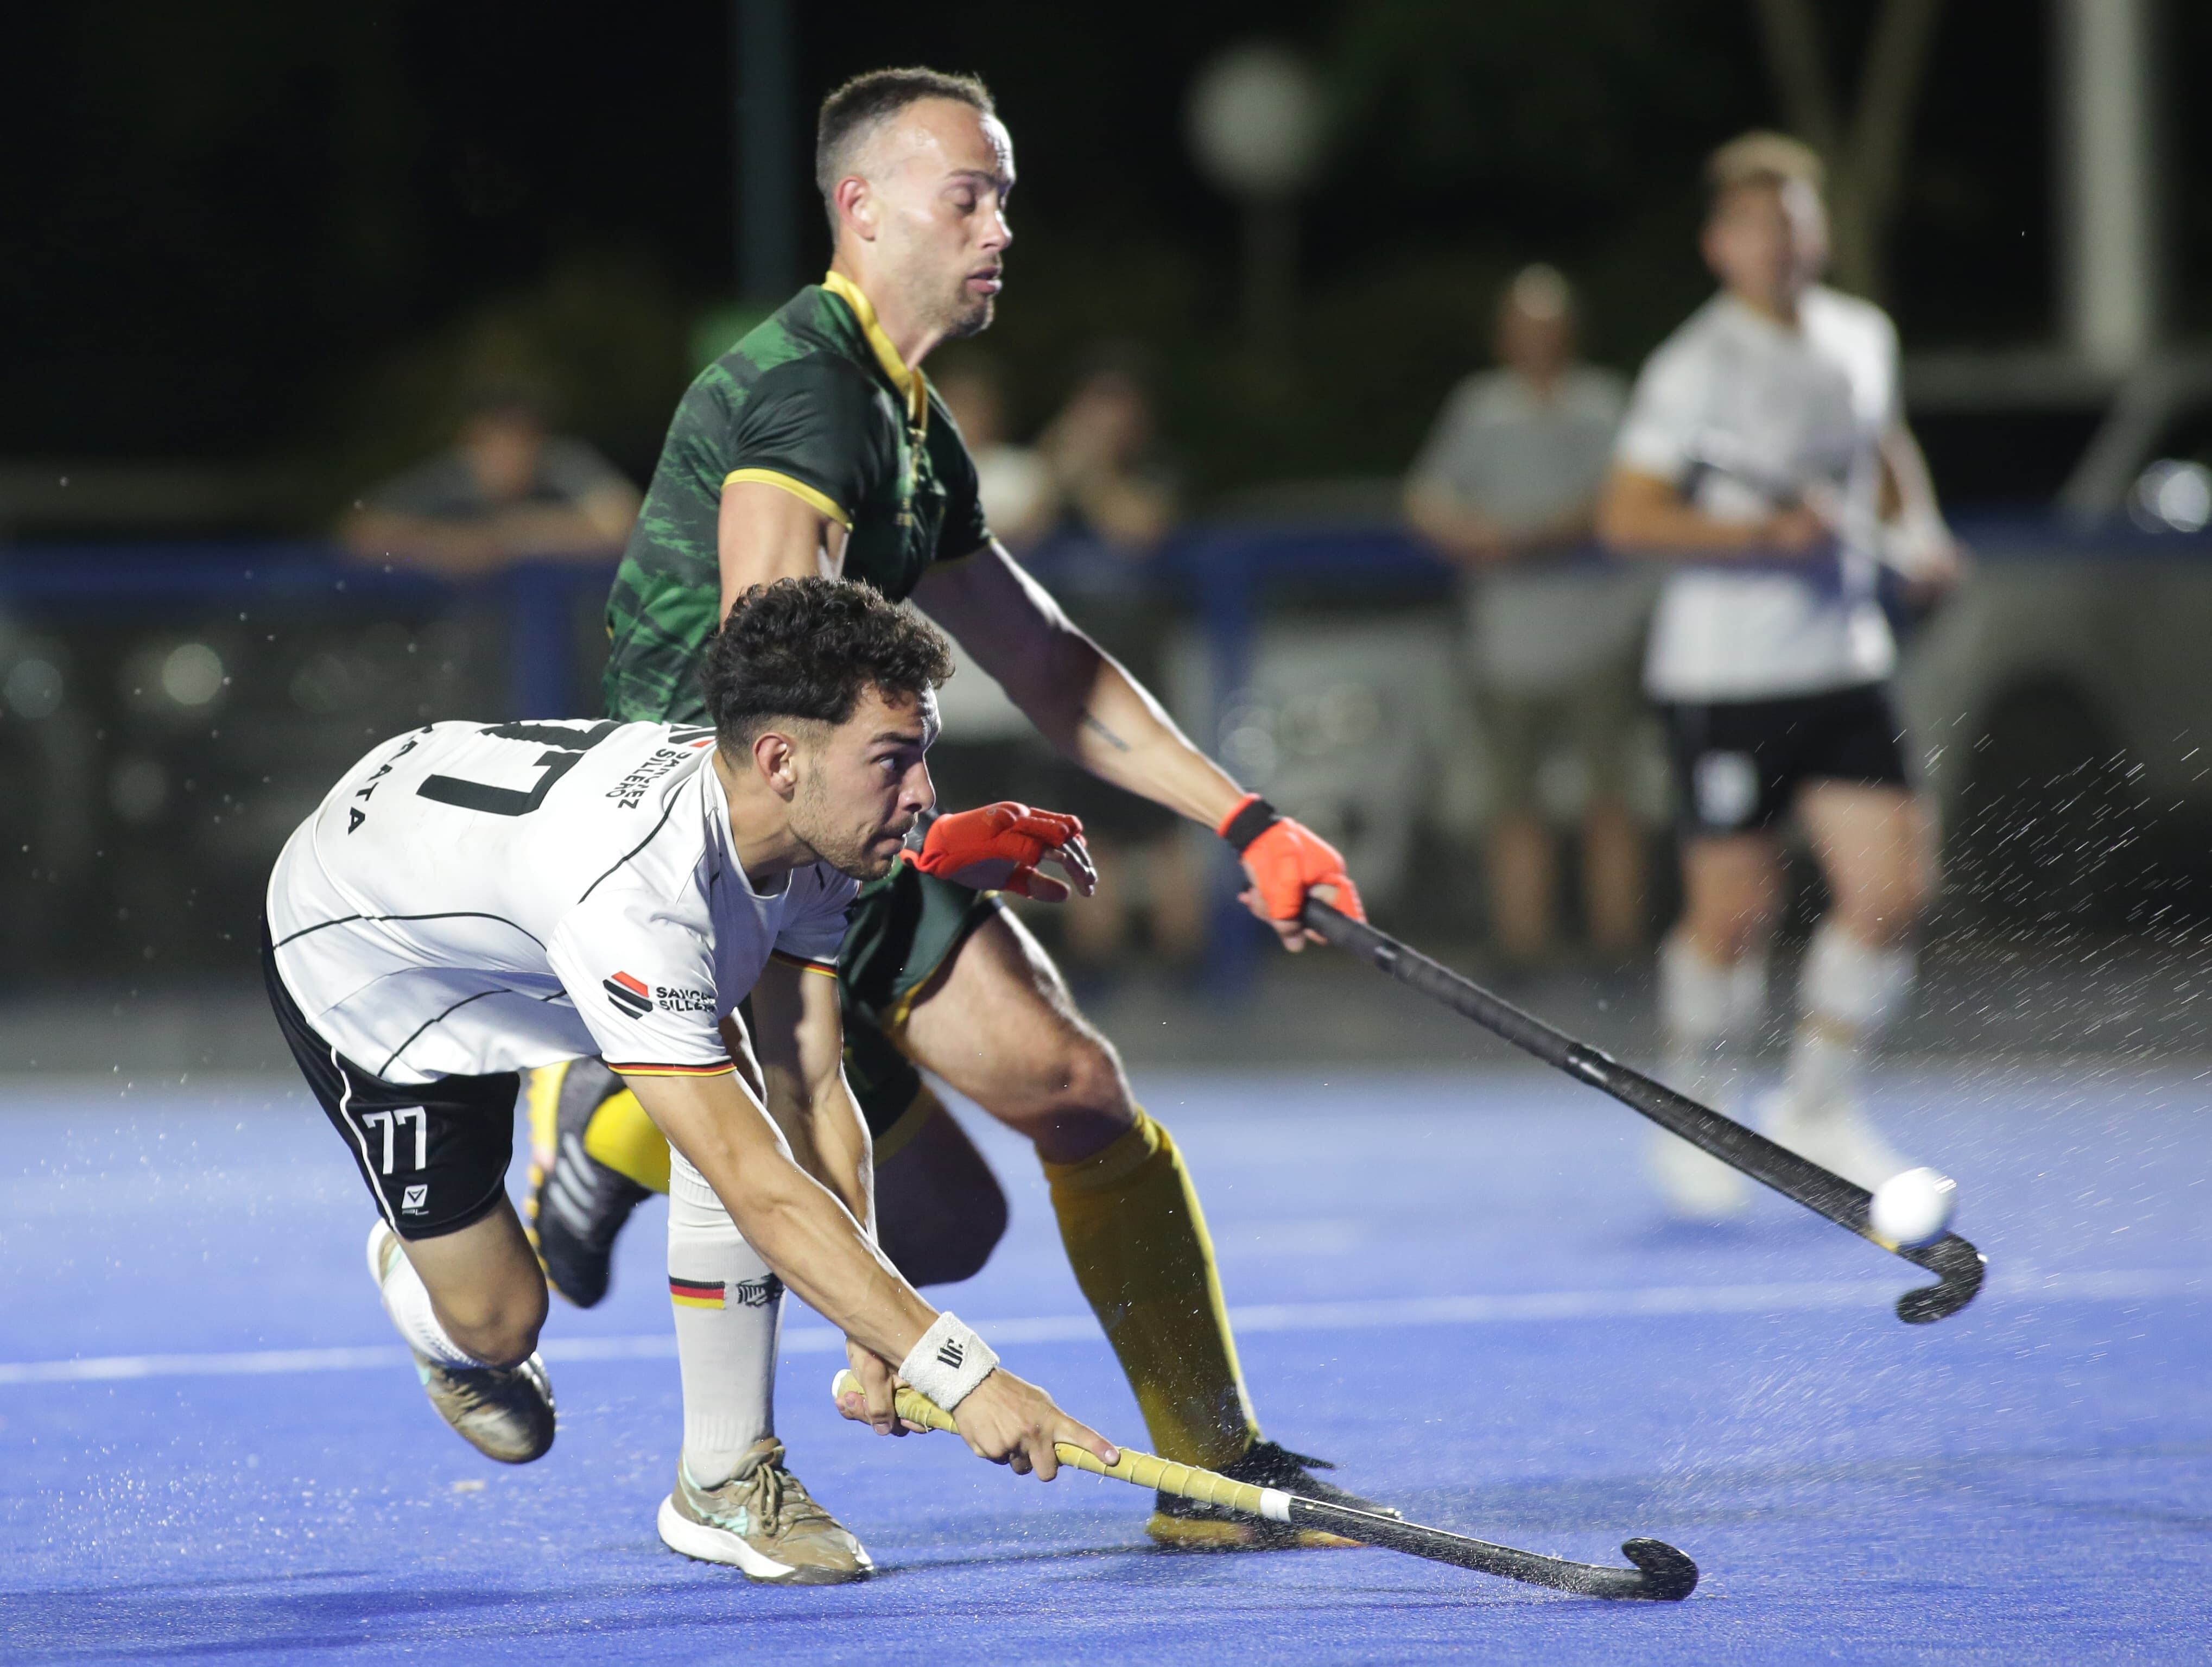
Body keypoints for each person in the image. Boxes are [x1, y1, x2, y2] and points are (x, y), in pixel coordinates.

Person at [561, 66, 1392, 1554]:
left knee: (985, 1191)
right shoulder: (806, 393)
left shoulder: (911, 423)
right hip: (716, 862)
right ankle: (625, 1099)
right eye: (971, 191)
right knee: (922, 1151)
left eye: (1005, 190)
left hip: (830, 830)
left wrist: (1247, 819)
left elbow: (1048, 665)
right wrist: (931, 837)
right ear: (860, 205)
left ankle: (1212, 1482)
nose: (1002, 222)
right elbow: (774, 722)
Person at [263, 578, 1114, 1586]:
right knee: (499, 1324)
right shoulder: (639, 896)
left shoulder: (805, 831)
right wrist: (966, 1375)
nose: (927, 795)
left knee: (743, 1081)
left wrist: (874, 1333)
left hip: (514, 914)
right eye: (895, 761)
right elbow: (757, 1179)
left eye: (920, 754)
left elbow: (811, 1086)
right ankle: (417, 1268)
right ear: (781, 761)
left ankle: (721, 1482)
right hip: (379, 972)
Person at [1595, 132, 1962, 1219]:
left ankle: (1818, 1101)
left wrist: (1922, 530)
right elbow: (1627, 515)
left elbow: (1882, 442)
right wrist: (1764, 537)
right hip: (1726, 674)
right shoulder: (1691, 366)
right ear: (1719, 244)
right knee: (1736, 913)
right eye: (1757, 224)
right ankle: (1701, 1104)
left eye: (1796, 219)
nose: (1781, 241)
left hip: (1844, 660)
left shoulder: (1861, 334)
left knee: (1892, 889)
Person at [1404, 265, 1650, 965]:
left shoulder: (1602, 404)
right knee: (1512, 804)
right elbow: (1426, 494)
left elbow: (1623, 495)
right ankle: (1523, 944)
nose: (1533, 340)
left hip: (1596, 635)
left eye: (1546, 327)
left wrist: (1532, 536)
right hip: (1505, 644)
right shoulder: (1481, 406)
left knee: (1610, 799)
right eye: (1520, 328)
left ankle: (1617, 943)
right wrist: (1467, 531)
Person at [340, 379, 640, 578]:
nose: (510, 457)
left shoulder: (560, 464)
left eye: (520, 441)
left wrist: (512, 537)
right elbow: (360, 532)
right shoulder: (450, 480)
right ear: (472, 442)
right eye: (497, 442)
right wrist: (444, 545)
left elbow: (627, 524)